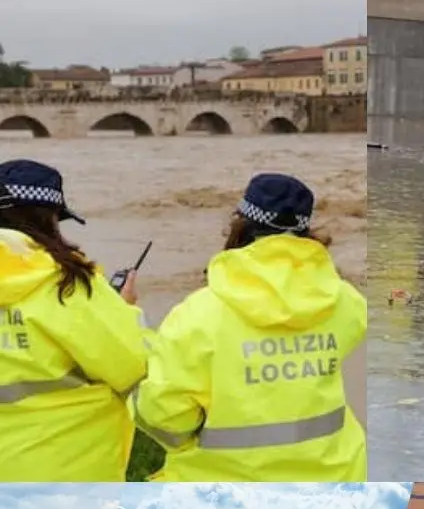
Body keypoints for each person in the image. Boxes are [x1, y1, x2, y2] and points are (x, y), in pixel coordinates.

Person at [134, 172, 367, 482]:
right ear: (307, 230)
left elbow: (166, 420)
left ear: (240, 224)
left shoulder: (199, 314)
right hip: (335, 481)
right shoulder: (343, 301)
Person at [0, 159, 149, 482]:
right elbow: (136, 367)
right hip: (66, 479)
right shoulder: (69, 286)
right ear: (49, 219)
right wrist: (126, 311)